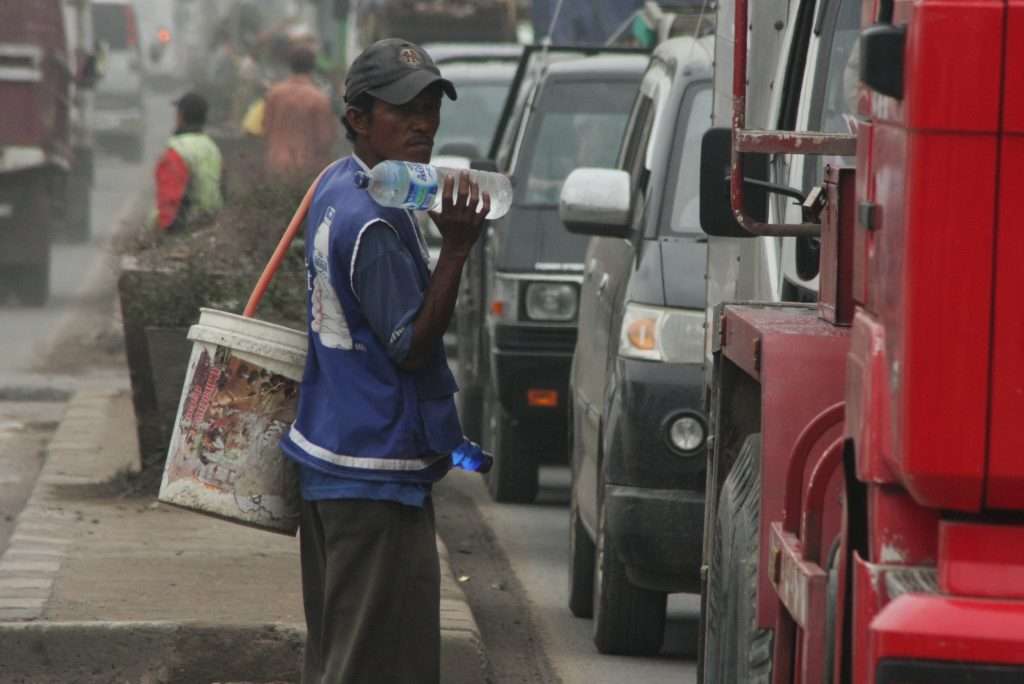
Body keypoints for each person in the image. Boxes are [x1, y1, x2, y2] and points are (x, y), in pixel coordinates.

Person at [277, 38, 490, 683]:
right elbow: (410, 346)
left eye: (430, 105)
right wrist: (454, 251)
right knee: (372, 665)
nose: (422, 122)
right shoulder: (372, 224)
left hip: (334, 461)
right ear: (358, 120)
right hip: (370, 478)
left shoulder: (340, 185)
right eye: (402, 109)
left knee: (343, 654)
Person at [261, 46, 339, 184]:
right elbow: (325, 139)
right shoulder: (318, 99)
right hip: (306, 167)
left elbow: (265, 128)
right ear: (313, 67)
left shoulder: (274, 94)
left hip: (276, 163)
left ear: (290, 65)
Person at [153, 92, 224, 232]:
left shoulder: (178, 149)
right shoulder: (211, 147)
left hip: (185, 229)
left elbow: (170, 202)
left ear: (181, 115)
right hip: (211, 227)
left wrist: (163, 236)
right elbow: (222, 189)